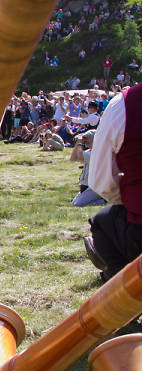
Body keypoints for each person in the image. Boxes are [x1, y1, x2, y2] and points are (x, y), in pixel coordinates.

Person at [84, 87, 142, 281]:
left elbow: (101, 181)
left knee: (101, 222)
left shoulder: (123, 104)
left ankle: (120, 280)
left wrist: (129, 198)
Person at [69, 130, 106, 207]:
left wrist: (79, 142)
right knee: (74, 203)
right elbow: (73, 158)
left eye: (87, 138)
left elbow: (79, 156)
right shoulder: (89, 151)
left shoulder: (98, 152)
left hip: (95, 186)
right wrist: (78, 143)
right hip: (87, 186)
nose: (84, 140)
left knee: (78, 204)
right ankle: (102, 199)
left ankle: (104, 201)